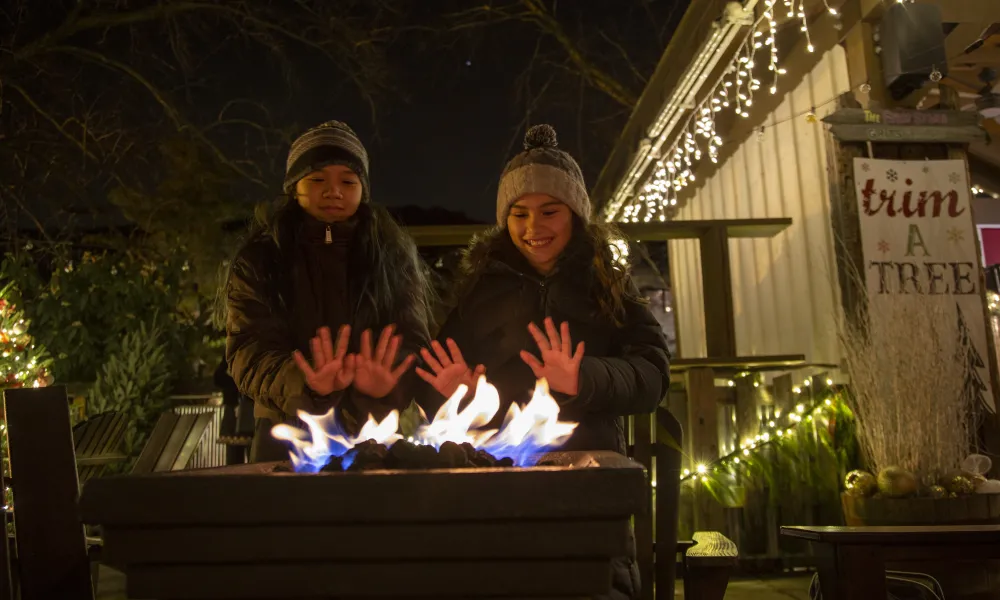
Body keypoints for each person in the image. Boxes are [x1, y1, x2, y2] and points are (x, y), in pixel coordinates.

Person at [416, 124, 670, 600]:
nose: (534, 229)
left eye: (549, 211)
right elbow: (434, 385)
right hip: (495, 481)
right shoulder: (478, 288)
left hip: (588, 475)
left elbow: (653, 374)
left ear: (574, 214)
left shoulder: (608, 284)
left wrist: (584, 376)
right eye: (520, 214)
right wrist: (453, 394)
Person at [224, 120, 433, 462]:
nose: (333, 191)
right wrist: (305, 382)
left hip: (369, 434)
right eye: (318, 179)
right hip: (284, 433)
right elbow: (248, 351)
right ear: (294, 187)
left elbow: (413, 343)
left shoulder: (392, 257)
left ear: (363, 190)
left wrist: (388, 383)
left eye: (348, 181)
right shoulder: (261, 258)